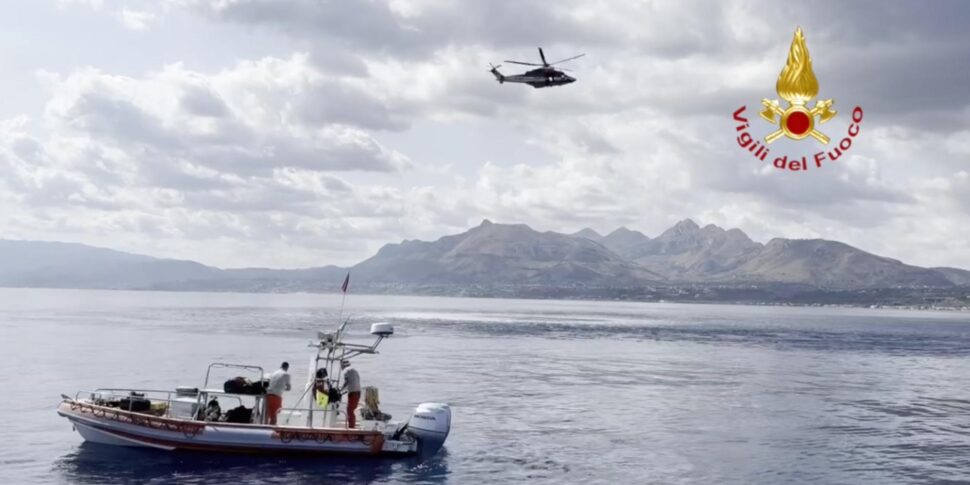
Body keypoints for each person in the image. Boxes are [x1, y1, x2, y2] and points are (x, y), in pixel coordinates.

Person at [341, 360, 361, 429]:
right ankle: (352, 425)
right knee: (351, 409)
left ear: (343, 365)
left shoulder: (346, 370)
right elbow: (354, 381)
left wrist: (340, 389)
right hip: (358, 391)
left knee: (350, 410)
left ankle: (351, 427)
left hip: (353, 392)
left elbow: (346, 382)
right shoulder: (354, 370)